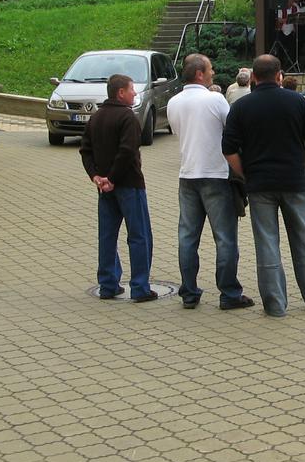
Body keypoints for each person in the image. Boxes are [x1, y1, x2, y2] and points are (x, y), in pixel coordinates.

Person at [222, 55, 305, 317]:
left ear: (254, 78)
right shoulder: (298, 102)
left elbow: (228, 149)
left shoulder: (241, 106)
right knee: (304, 239)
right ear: (280, 75)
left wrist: (245, 173)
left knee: (267, 243)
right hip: (294, 181)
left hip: (259, 184)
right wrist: (301, 164)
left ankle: (275, 305)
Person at [168, 55, 253, 311]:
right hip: (215, 175)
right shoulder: (215, 99)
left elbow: (177, 133)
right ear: (199, 75)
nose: (213, 72)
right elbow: (233, 128)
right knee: (225, 238)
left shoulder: (173, 103)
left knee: (187, 237)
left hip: (187, 175)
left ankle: (189, 292)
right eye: (210, 70)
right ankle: (229, 292)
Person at [79, 74, 155, 302]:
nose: (135, 94)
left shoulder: (96, 118)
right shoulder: (128, 118)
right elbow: (127, 151)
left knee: (107, 235)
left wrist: (96, 176)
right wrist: (112, 178)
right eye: (132, 90)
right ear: (120, 92)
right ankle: (140, 288)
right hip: (129, 185)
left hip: (104, 188)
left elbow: (85, 150)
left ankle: (108, 284)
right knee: (139, 236)